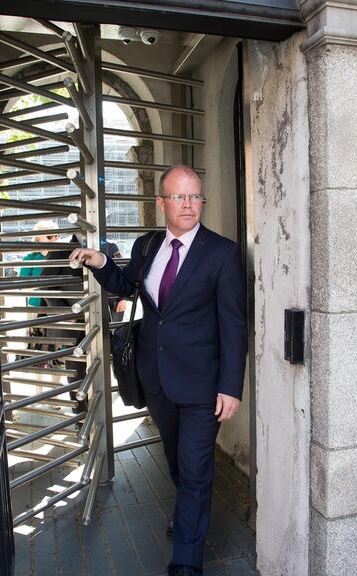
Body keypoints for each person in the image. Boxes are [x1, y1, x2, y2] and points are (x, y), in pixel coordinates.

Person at [69, 165, 246, 576]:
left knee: (197, 469)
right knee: (178, 462)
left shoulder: (221, 252)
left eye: (195, 196)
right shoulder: (147, 246)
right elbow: (128, 285)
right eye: (180, 197)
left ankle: (186, 562)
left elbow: (234, 326)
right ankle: (188, 514)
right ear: (160, 202)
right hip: (158, 379)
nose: (189, 205)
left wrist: (231, 387)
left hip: (204, 384)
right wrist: (100, 262)